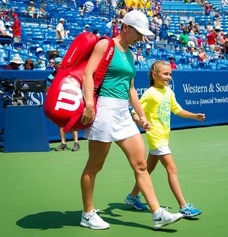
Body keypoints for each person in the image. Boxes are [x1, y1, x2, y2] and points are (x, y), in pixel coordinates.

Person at [80, 10, 183, 230]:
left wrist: (142, 117)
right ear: (125, 27)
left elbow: (131, 88)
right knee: (95, 165)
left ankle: (157, 214)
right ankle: (87, 214)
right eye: (138, 32)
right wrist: (89, 103)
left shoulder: (130, 54)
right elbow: (87, 74)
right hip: (104, 111)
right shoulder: (105, 45)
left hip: (123, 114)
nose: (141, 38)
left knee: (141, 165)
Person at [124, 60, 205, 218]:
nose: (168, 77)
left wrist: (194, 116)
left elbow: (178, 109)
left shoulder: (168, 92)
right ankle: (183, 206)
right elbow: (135, 112)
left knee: (148, 169)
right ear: (155, 75)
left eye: (170, 74)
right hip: (155, 137)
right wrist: (142, 122)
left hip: (164, 136)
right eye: (165, 74)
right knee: (172, 168)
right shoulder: (149, 93)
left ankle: (132, 197)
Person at [45, 57, 81, 152]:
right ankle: (63, 143)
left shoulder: (69, 74)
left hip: (69, 99)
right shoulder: (51, 77)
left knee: (72, 122)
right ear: (55, 65)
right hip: (58, 101)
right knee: (60, 123)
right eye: (58, 63)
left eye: (61, 63)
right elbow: (48, 91)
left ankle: (76, 143)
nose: (60, 65)